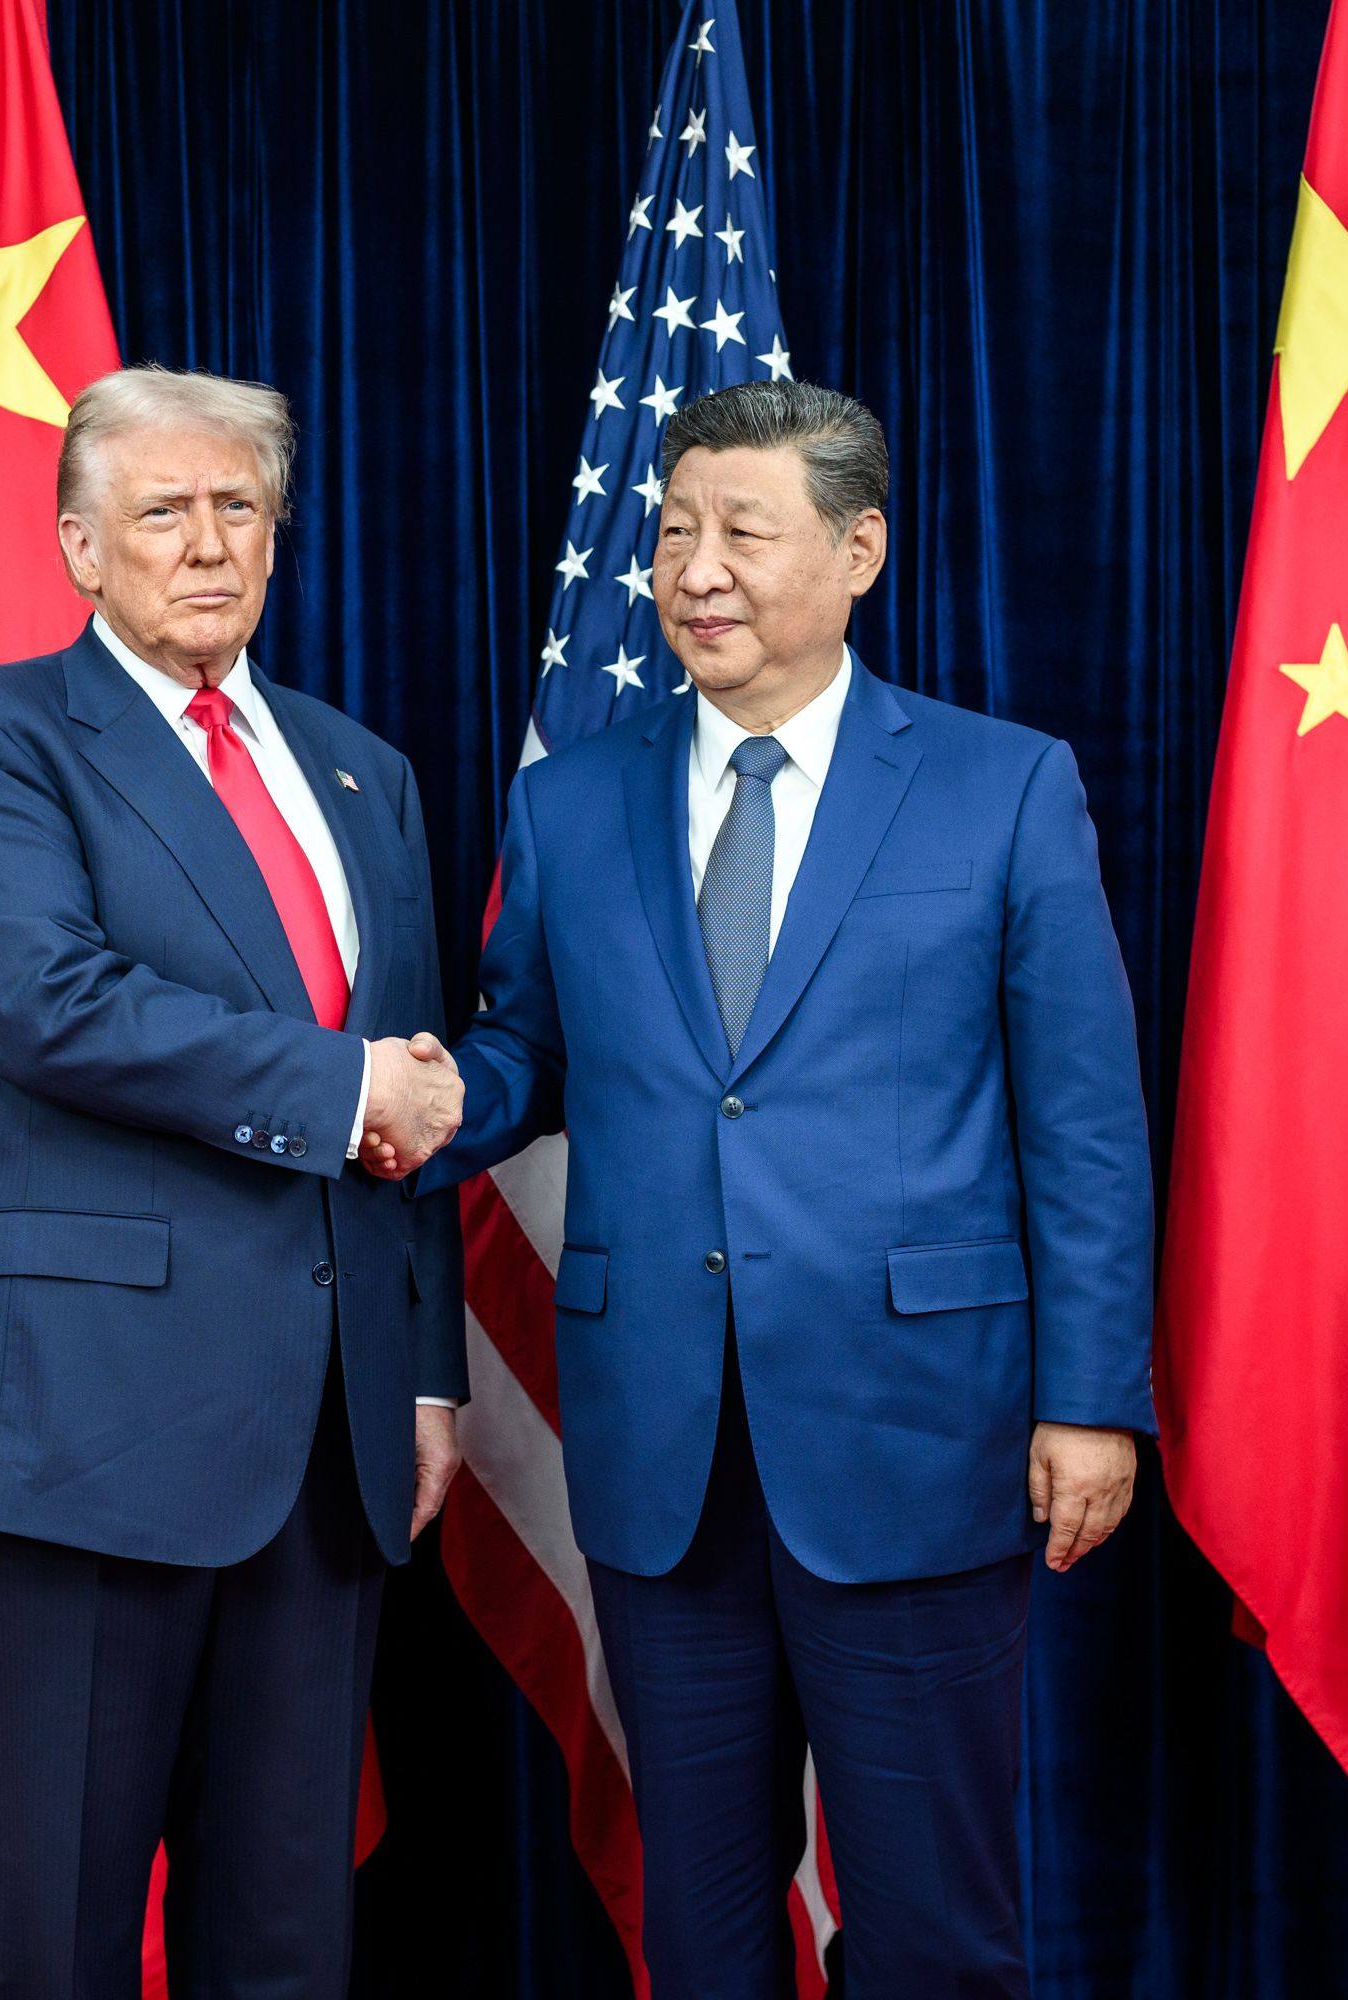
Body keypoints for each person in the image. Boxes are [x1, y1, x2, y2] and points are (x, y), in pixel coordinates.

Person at [395, 380, 1154, 1997]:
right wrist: (432, 1097)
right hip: (660, 1447)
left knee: (934, 1929)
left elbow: (1082, 1127)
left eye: (744, 530)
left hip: (916, 1431)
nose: (696, 570)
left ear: (859, 548)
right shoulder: (574, 798)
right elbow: (529, 1050)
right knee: (703, 1925)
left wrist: (1093, 1399)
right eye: (674, 534)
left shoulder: (1002, 786)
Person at [0, 363, 468, 1998]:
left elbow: (412, 1108)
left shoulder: (365, 771)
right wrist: (347, 1083)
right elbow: (46, 1002)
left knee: (287, 1932)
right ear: (79, 547)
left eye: (239, 510)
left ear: (279, 537)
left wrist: (425, 1381)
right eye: (163, 512)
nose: (207, 545)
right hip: (86, 1413)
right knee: (66, 1933)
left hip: (335, 1433)